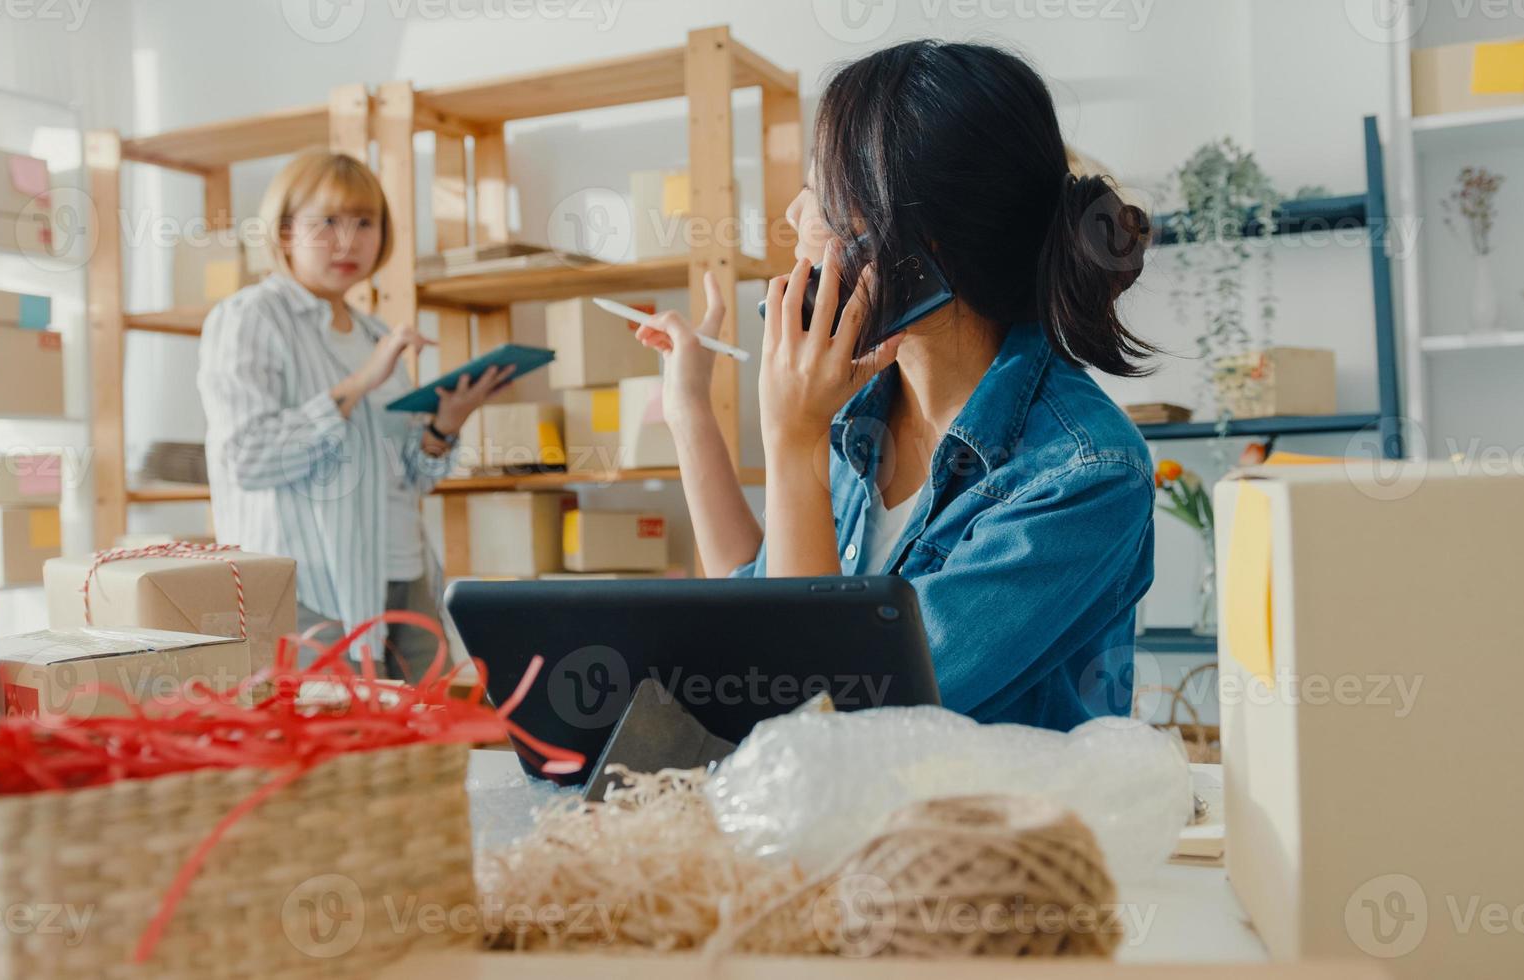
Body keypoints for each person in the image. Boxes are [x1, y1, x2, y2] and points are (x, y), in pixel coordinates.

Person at [632, 41, 1156, 729]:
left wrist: (791, 440)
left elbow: (828, 718)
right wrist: (689, 409)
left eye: (823, 196)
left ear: (920, 249)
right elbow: (759, 597)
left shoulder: (1084, 476)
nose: (794, 216)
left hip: (990, 835)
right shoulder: (859, 406)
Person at [197, 150, 509, 681]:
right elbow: (246, 459)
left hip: (403, 573)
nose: (348, 242)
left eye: (365, 223)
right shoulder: (250, 318)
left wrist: (444, 426)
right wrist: (359, 383)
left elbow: (413, 475)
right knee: (336, 749)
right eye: (328, 223)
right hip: (311, 586)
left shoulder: (372, 334)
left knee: (428, 747)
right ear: (286, 230)